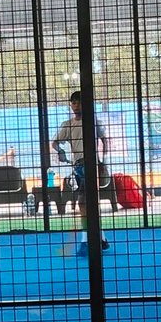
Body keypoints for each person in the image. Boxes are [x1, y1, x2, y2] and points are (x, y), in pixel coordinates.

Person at [51, 90, 112, 257]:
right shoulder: (68, 125)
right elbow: (55, 143)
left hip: (91, 165)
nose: (77, 106)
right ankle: (102, 239)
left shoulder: (93, 122)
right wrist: (60, 151)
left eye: (80, 102)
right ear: (71, 105)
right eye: (74, 102)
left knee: (83, 203)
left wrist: (103, 161)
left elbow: (104, 140)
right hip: (78, 167)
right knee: (89, 203)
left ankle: (86, 242)